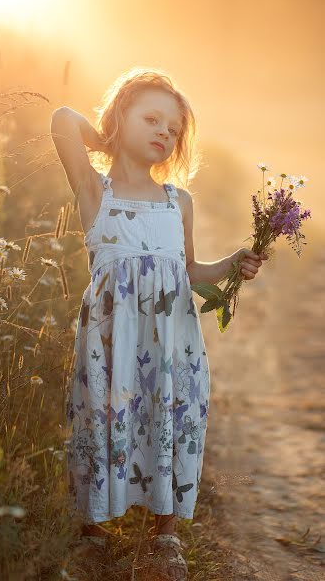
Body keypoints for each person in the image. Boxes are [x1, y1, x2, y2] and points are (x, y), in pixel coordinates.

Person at [50, 67, 267, 579]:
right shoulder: (94, 191)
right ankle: (95, 532)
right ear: (120, 119)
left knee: (169, 418)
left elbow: (190, 272)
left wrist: (232, 265)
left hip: (171, 344)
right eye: (151, 119)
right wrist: (104, 137)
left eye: (173, 128)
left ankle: (164, 535)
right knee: (104, 419)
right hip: (112, 342)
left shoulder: (178, 202)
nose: (164, 133)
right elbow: (61, 118)